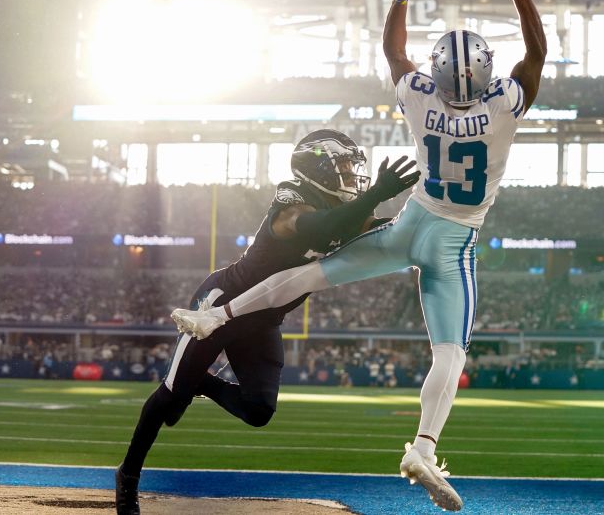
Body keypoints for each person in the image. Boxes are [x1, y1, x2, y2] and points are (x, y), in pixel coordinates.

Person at [171, 0, 547, 512]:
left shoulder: (420, 96)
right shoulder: (503, 105)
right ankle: (423, 446)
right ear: (485, 71)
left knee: (307, 274)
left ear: (440, 72)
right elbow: (536, 54)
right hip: (453, 243)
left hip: (410, 223)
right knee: (450, 351)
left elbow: (395, 55)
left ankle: (214, 315)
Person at [114, 130, 419, 515]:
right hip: (221, 308)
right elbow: (319, 228)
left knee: (258, 411)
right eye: (341, 165)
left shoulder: (340, 211)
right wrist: (376, 194)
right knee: (170, 403)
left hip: (263, 320)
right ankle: (128, 477)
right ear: (316, 168)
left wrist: (427, 222)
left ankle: (201, 382)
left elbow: (377, 228)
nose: (350, 174)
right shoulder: (291, 204)